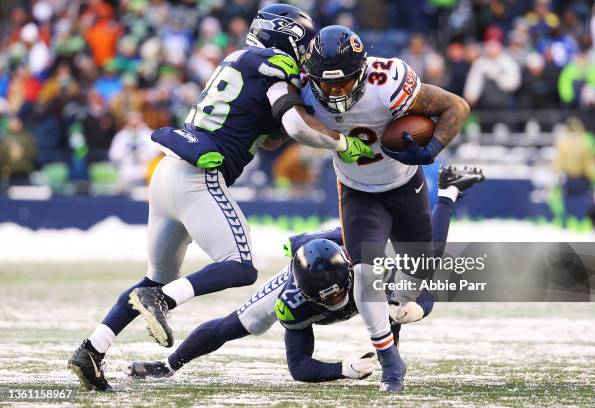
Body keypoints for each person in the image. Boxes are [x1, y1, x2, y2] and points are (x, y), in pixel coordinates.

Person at [68, 5, 373, 392]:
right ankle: (163, 299)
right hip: (199, 175)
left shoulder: (238, 61)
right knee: (241, 267)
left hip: (166, 174)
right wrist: (342, 143)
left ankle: (92, 349)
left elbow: (269, 133)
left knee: (155, 276)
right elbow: (294, 126)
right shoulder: (275, 66)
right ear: (288, 38)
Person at [126, 166, 485, 383]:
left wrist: (415, 309)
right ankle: (167, 365)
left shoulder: (370, 266)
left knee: (421, 261)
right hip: (311, 259)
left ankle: (449, 190)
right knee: (235, 324)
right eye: (325, 298)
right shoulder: (293, 298)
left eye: (336, 293)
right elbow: (298, 366)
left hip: (352, 246)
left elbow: (426, 292)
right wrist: (340, 369)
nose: (336, 302)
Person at [301, 26, 471, 391]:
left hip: (405, 184)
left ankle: (449, 196)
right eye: (325, 84)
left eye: (342, 82)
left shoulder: (387, 81)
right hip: (357, 190)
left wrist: (432, 149)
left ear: (361, 71)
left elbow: (456, 106)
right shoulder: (301, 90)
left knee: (415, 275)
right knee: (365, 274)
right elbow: (280, 128)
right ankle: (390, 360)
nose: (333, 92)